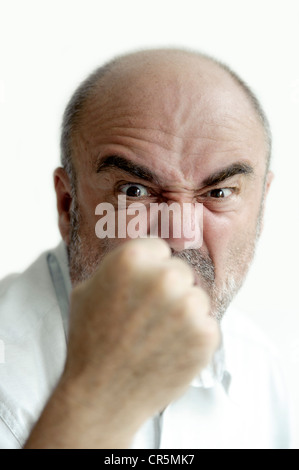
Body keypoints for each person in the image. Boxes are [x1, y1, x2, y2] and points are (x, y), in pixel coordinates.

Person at [0, 48, 291, 449]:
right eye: (134, 191)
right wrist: (96, 397)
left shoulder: (263, 369)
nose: (180, 235)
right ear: (68, 207)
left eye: (219, 192)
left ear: (261, 203)